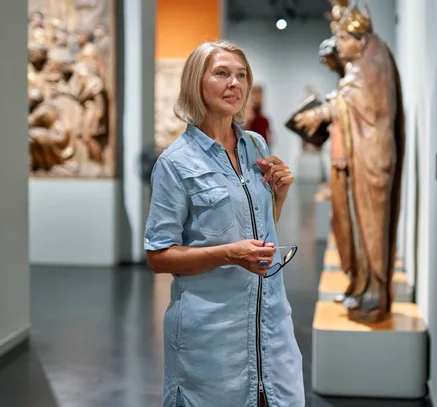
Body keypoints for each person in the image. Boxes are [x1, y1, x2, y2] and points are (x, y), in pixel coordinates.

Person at [144, 40, 304, 407]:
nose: (235, 83)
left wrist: (277, 199)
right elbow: (158, 256)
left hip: (272, 326)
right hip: (213, 338)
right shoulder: (176, 163)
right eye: (222, 73)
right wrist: (230, 255)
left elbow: (255, 228)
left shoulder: (257, 146)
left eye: (242, 75)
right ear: (196, 84)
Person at [293, 3, 405, 323]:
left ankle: (376, 291)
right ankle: (361, 284)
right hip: (354, 158)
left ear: (361, 39)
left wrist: (321, 112)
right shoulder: (358, 67)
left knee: (370, 227)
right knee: (353, 225)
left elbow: (360, 106)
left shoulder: (372, 64)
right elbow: (347, 101)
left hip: (370, 158)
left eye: (343, 38)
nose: (339, 46)